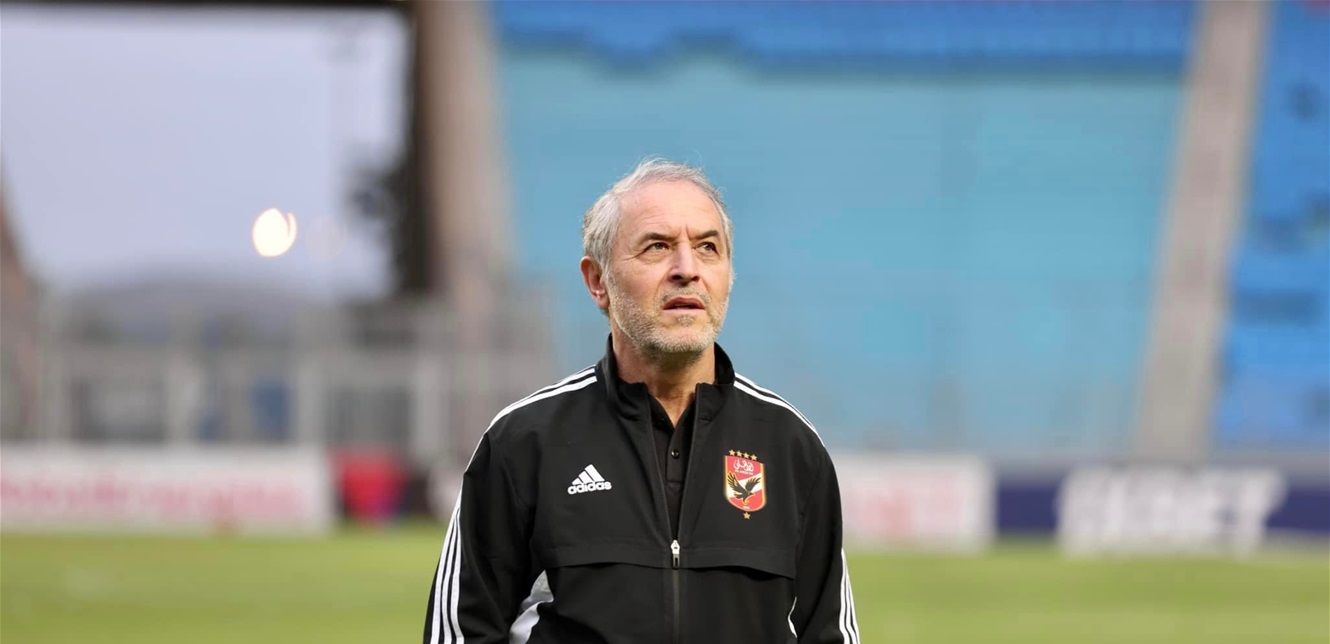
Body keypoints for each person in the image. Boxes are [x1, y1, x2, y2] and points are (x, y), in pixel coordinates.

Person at [423, 158, 860, 643]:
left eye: (708, 248)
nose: (687, 270)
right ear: (598, 281)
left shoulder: (790, 447)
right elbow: (459, 633)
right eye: (658, 247)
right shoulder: (524, 442)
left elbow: (830, 633)